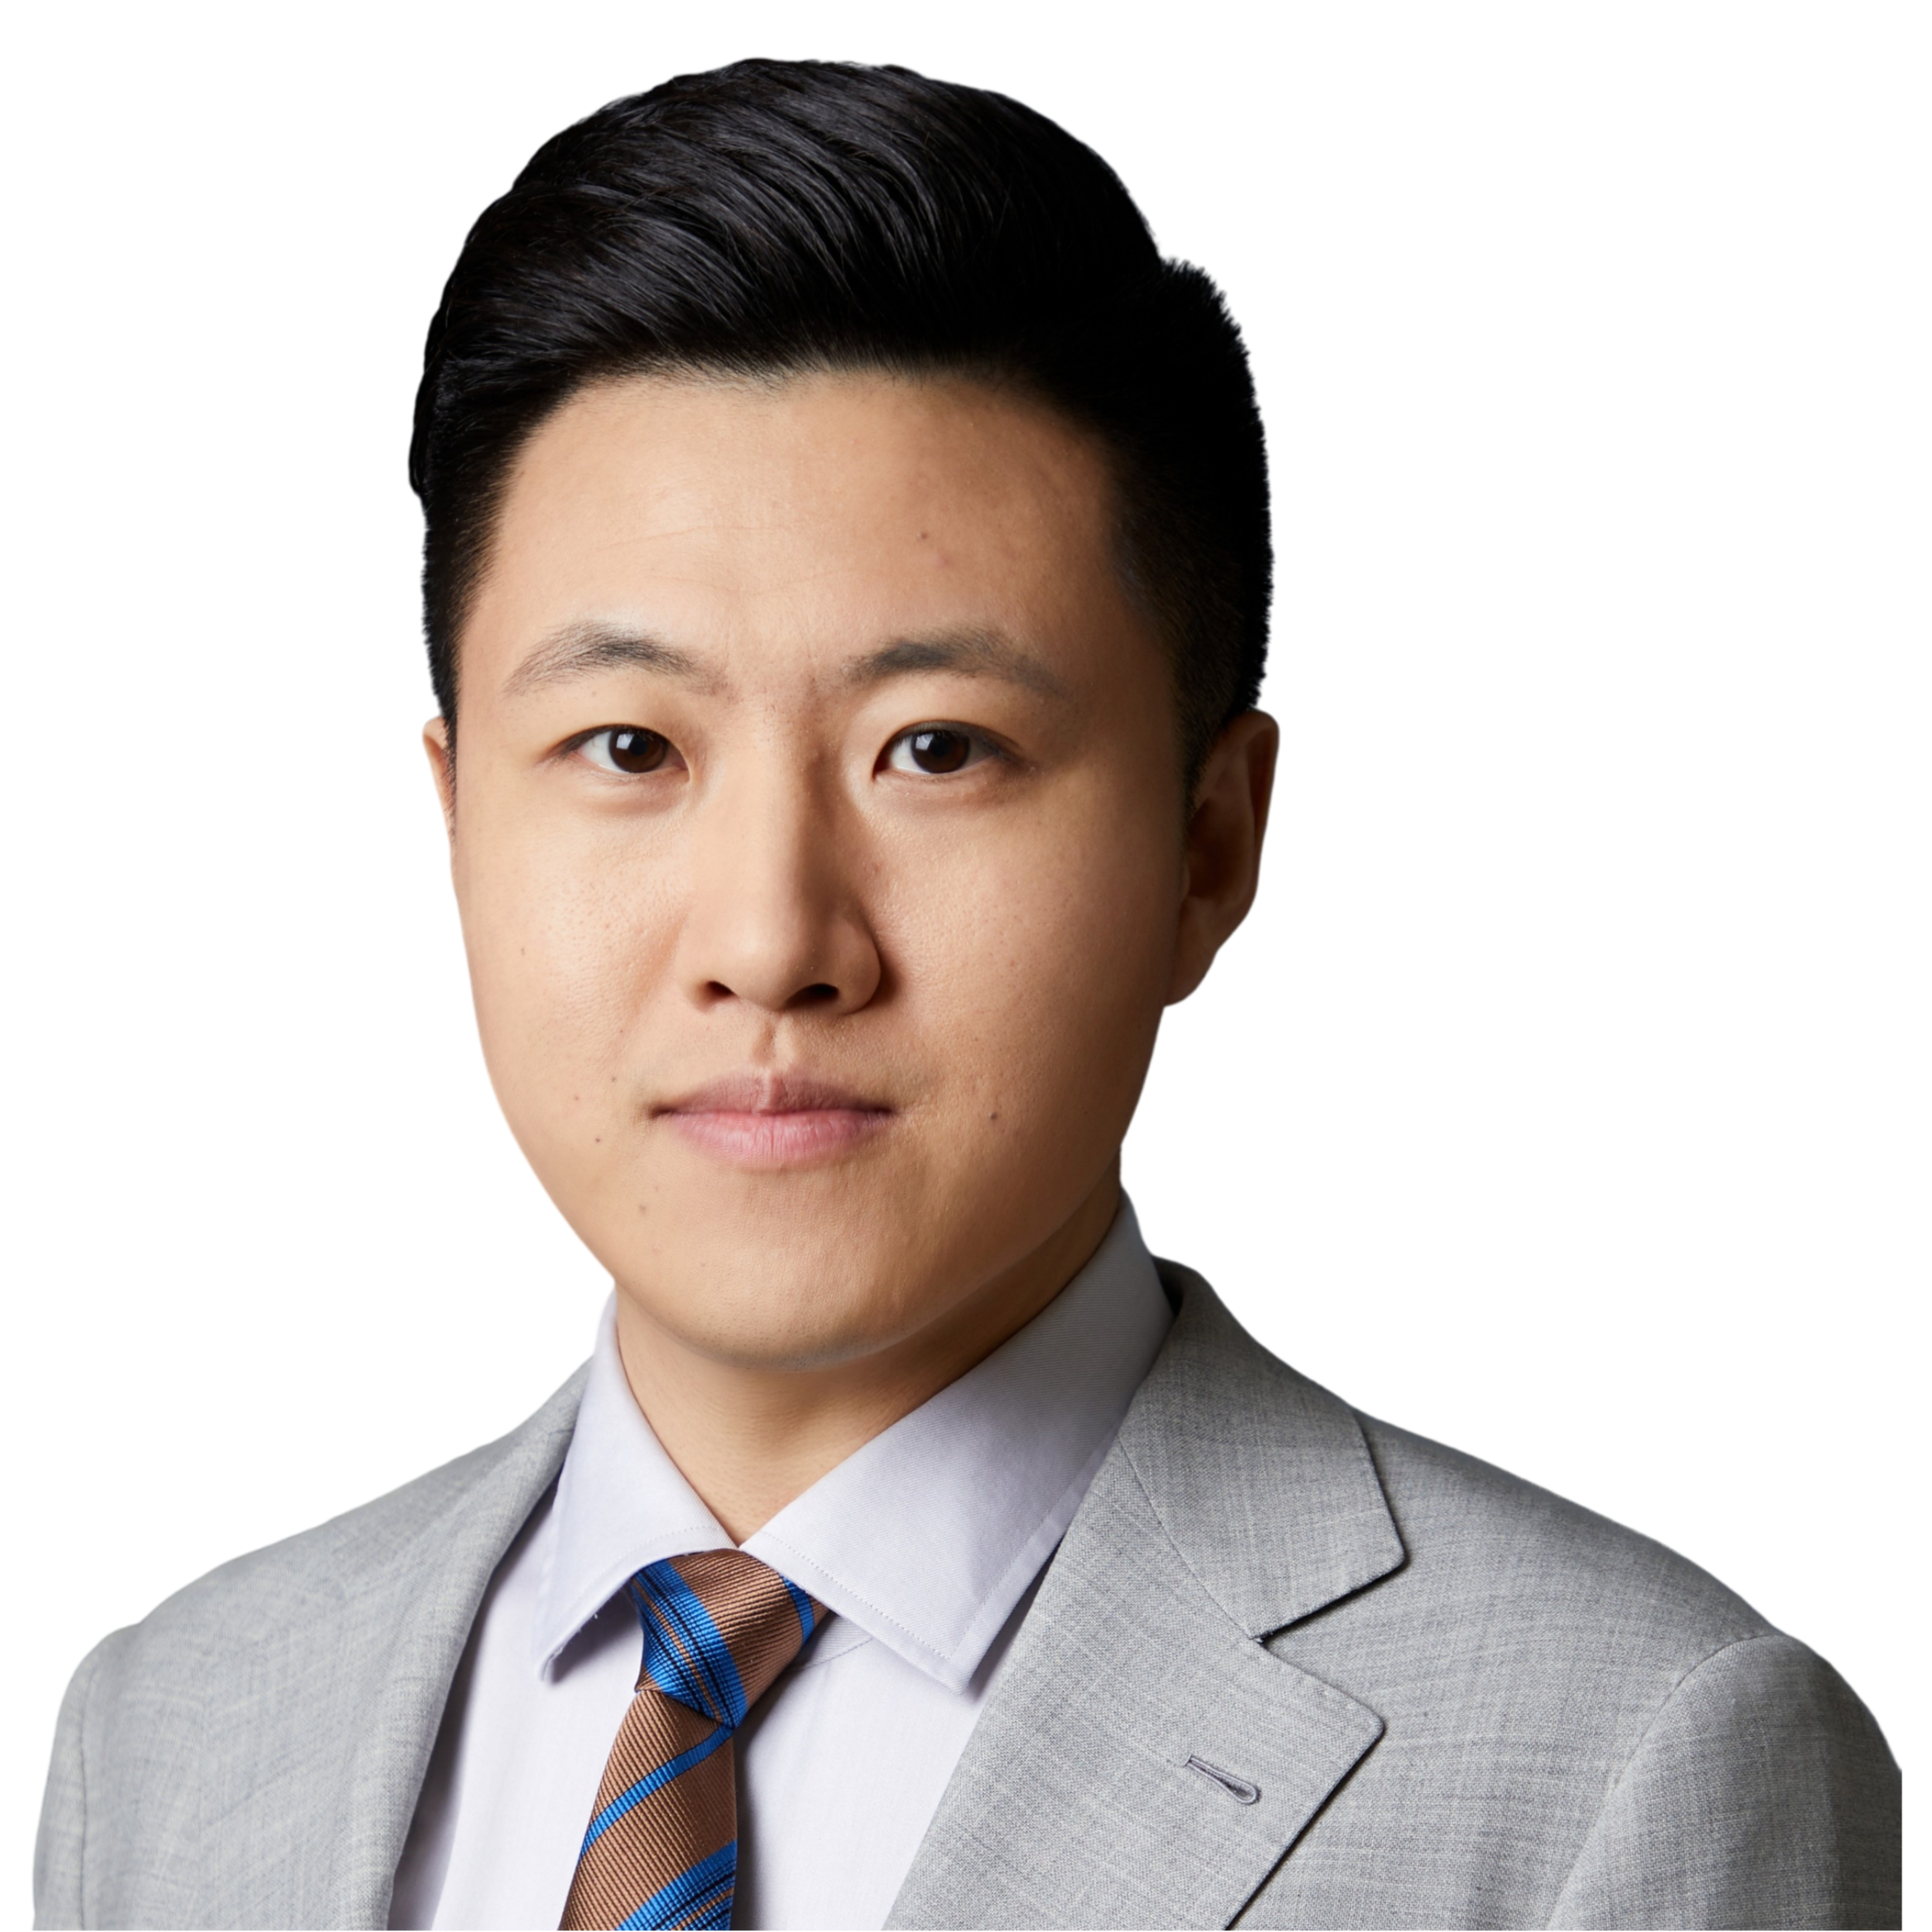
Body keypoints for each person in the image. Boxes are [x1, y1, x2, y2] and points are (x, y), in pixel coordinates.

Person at [31, 57, 1900, 1932]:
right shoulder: (175, 1728)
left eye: (935, 748)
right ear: (453, 827)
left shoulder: (1627, 1762)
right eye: (628, 745)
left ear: (1210, 849)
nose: (775, 941)